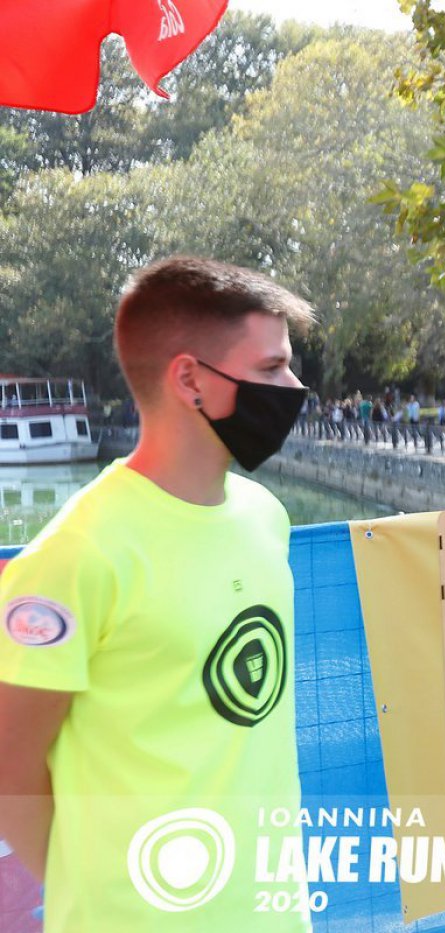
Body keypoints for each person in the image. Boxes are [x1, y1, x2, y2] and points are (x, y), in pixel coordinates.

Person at [0, 256, 315, 930]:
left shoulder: (265, 516)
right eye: (271, 368)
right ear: (190, 379)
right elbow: (11, 766)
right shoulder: (75, 554)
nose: (294, 388)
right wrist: (101, 896)